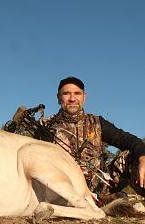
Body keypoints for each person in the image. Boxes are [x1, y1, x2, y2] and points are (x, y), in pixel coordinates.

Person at [44, 76, 145, 204]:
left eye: (77, 93)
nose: (72, 99)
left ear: (84, 97)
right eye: (66, 94)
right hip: (65, 189)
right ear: (58, 97)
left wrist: (143, 158)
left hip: (102, 185)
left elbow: (128, 140)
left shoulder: (97, 123)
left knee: (133, 156)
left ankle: (105, 199)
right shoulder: (45, 126)